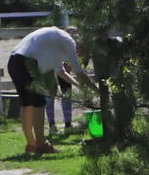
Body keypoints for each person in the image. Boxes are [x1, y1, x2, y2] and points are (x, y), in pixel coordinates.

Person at [6, 25, 97, 154]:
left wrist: (79, 86)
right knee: (39, 104)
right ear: (79, 44)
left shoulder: (54, 44)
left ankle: (31, 145)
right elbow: (80, 72)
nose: (78, 55)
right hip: (28, 63)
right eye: (80, 52)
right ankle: (41, 144)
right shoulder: (69, 42)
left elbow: (61, 72)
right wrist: (97, 91)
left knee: (27, 105)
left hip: (13, 62)